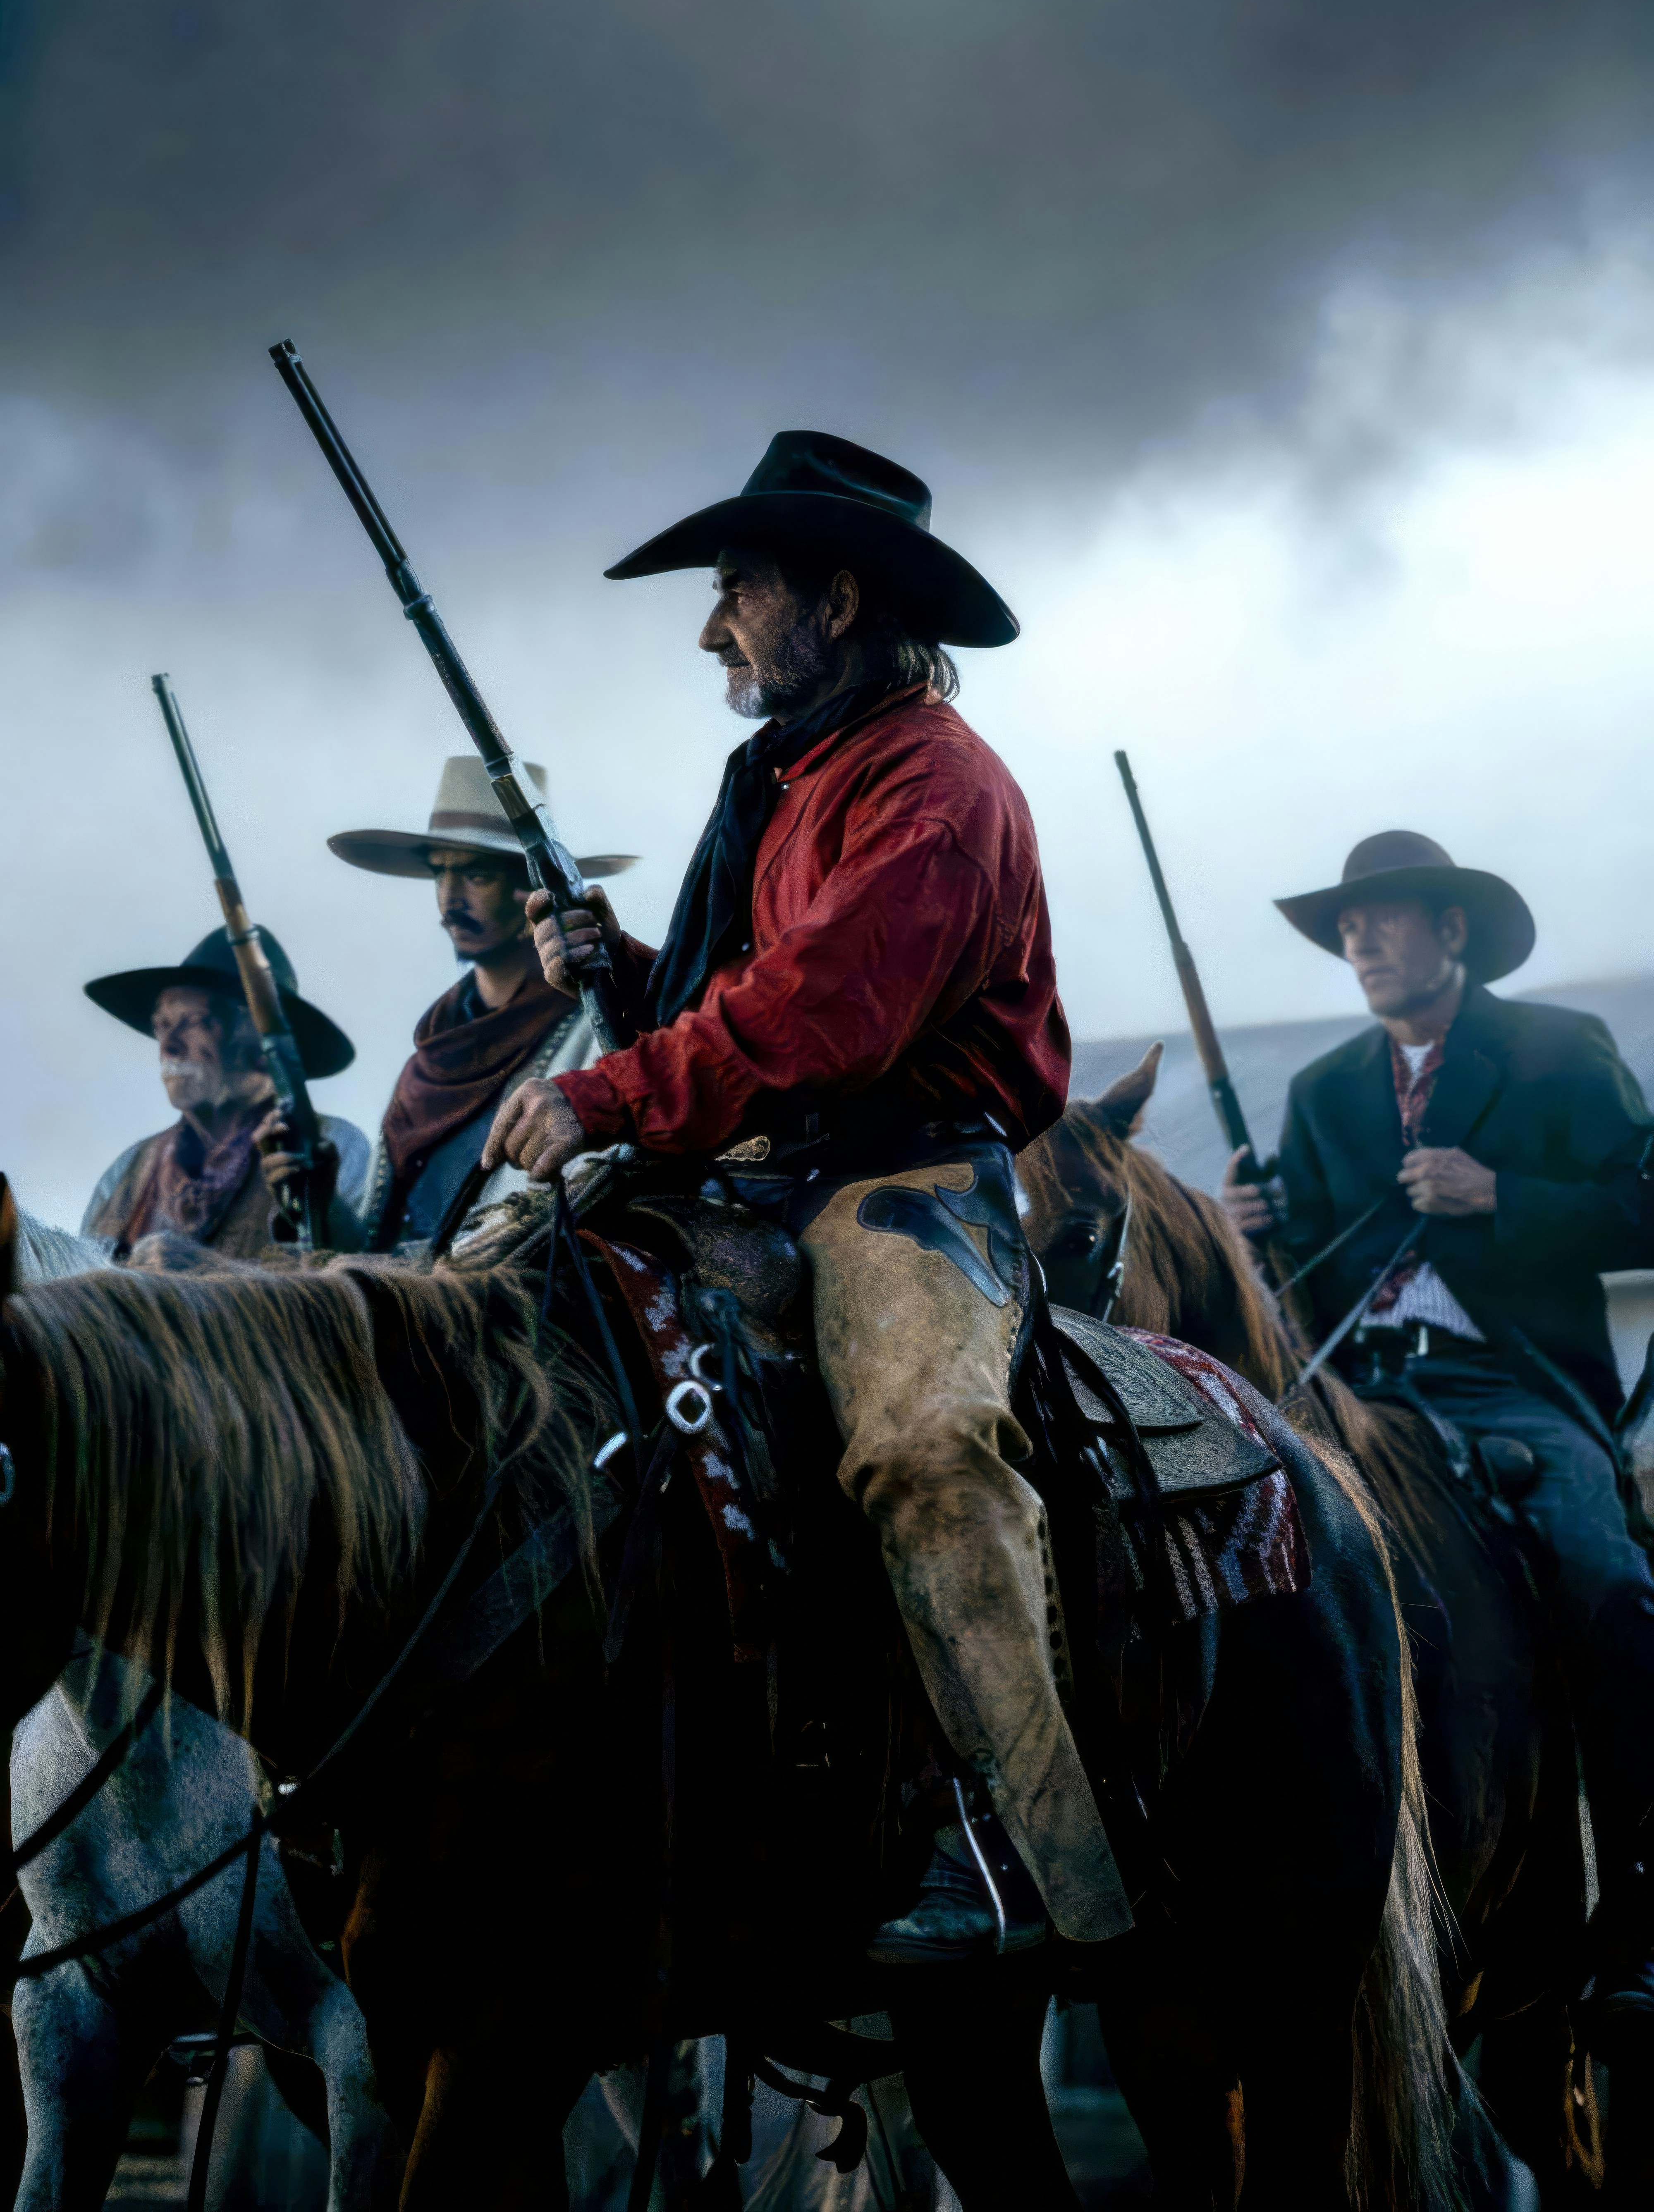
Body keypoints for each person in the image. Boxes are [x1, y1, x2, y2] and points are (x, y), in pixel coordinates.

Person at [480, 428, 1131, 1965]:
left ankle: (1031, 1859)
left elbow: (832, 1009)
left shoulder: (941, 785)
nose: (713, 627)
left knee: (921, 1456)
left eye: (738, 589)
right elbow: (742, 994)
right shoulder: (780, 779)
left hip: (905, 1182)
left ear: (835, 601)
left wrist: (600, 1091)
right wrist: (629, 978)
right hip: (750, 1181)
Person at [1222, 829, 1654, 2054]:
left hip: (1514, 1388)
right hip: (1357, 1398)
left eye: (1383, 918)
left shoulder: (1557, 1051)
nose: (1357, 941)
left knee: (1611, 1589)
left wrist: (1502, 1196)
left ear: (1450, 930)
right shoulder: (1322, 1095)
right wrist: (1252, 1234)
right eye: (1343, 928)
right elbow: (1302, 1297)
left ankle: (1636, 1916)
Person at [261, 757, 633, 1251]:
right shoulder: (427, 1065)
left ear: (529, 890)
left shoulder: (596, 1034)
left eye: (476, 876)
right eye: (440, 875)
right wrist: (320, 1196)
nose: (450, 898)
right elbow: (375, 1251)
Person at [81, 928, 366, 1259]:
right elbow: (81, 1292)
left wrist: (325, 1208)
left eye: (195, 1023)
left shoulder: (337, 1147)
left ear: (260, 1042)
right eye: (162, 1026)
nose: (169, 1046)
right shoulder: (128, 1173)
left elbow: (366, 1281)